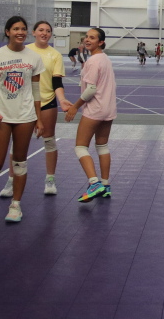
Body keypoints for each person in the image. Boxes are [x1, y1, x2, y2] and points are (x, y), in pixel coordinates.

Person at [0, 16, 45, 223]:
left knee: (20, 162)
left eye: (23, 29)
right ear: (7, 32)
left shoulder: (34, 57)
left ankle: (16, 205)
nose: (20, 32)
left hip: (25, 117)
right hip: (0, 116)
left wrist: (39, 119)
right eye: (15, 29)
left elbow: (36, 92)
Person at [0, 21, 69, 199]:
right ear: (34, 32)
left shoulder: (55, 55)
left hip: (47, 102)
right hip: (24, 104)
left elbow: (57, 83)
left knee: (49, 140)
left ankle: (50, 179)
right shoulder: (24, 51)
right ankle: (11, 179)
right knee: (17, 144)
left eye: (48, 31)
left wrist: (61, 100)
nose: (44, 33)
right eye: (41, 30)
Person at [62, 28, 117, 202]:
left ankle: (94, 183)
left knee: (80, 147)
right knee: (102, 146)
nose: (87, 40)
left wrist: (75, 107)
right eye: (87, 37)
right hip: (108, 109)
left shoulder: (93, 61)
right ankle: (106, 185)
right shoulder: (105, 59)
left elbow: (91, 89)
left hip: (95, 109)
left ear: (100, 42)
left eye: (92, 38)